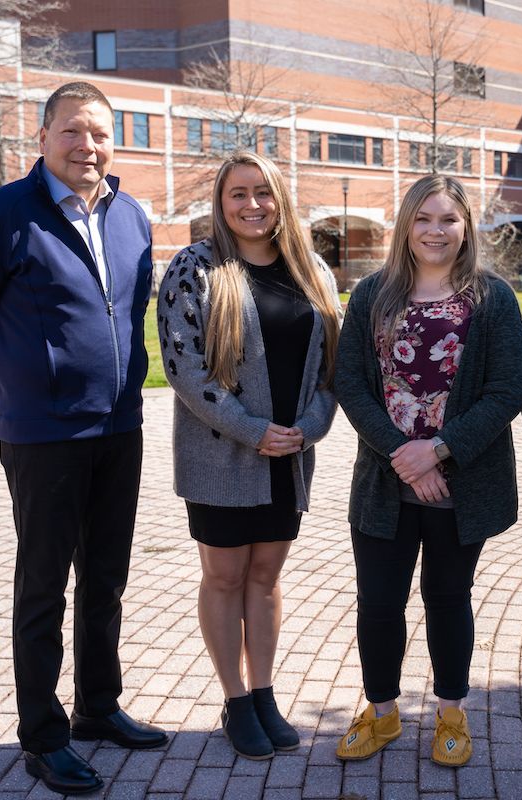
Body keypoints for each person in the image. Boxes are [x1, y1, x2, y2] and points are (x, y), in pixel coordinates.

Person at [0, 81, 166, 795]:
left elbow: (128, 315)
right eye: (71, 131)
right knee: (43, 588)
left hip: (118, 429)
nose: (86, 145)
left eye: (98, 133)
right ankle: (43, 734)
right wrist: (11, 403)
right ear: (42, 137)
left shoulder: (132, 217)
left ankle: (99, 707)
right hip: (43, 440)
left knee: (107, 580)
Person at [332, 175, 522, 768]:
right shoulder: (373, 294)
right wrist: (405, 456)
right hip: (384, 481)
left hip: (460, 483)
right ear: (405, 226)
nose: (435, 231)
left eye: (448, 219)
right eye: (423, 219)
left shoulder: (491, 298)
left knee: (447, 597)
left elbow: (507, 390)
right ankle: (383, 712)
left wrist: (437, 451)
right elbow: (350, 384)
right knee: (379, 601)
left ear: (467, 226)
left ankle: (451, 712)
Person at [157, 151, 340, 760]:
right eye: (239, 193)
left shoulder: (311, 269)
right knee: (225, 575)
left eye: (263, 192)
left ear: (280, 198)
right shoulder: (196, 267)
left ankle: (264, 693)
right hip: (221, 455)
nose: (252, 204)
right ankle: (235, 700)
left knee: (265, 577)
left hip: (287, 455)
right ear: (221, 200)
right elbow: (184, 369)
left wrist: (310, 427)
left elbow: (330, 367)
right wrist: (251, 429)